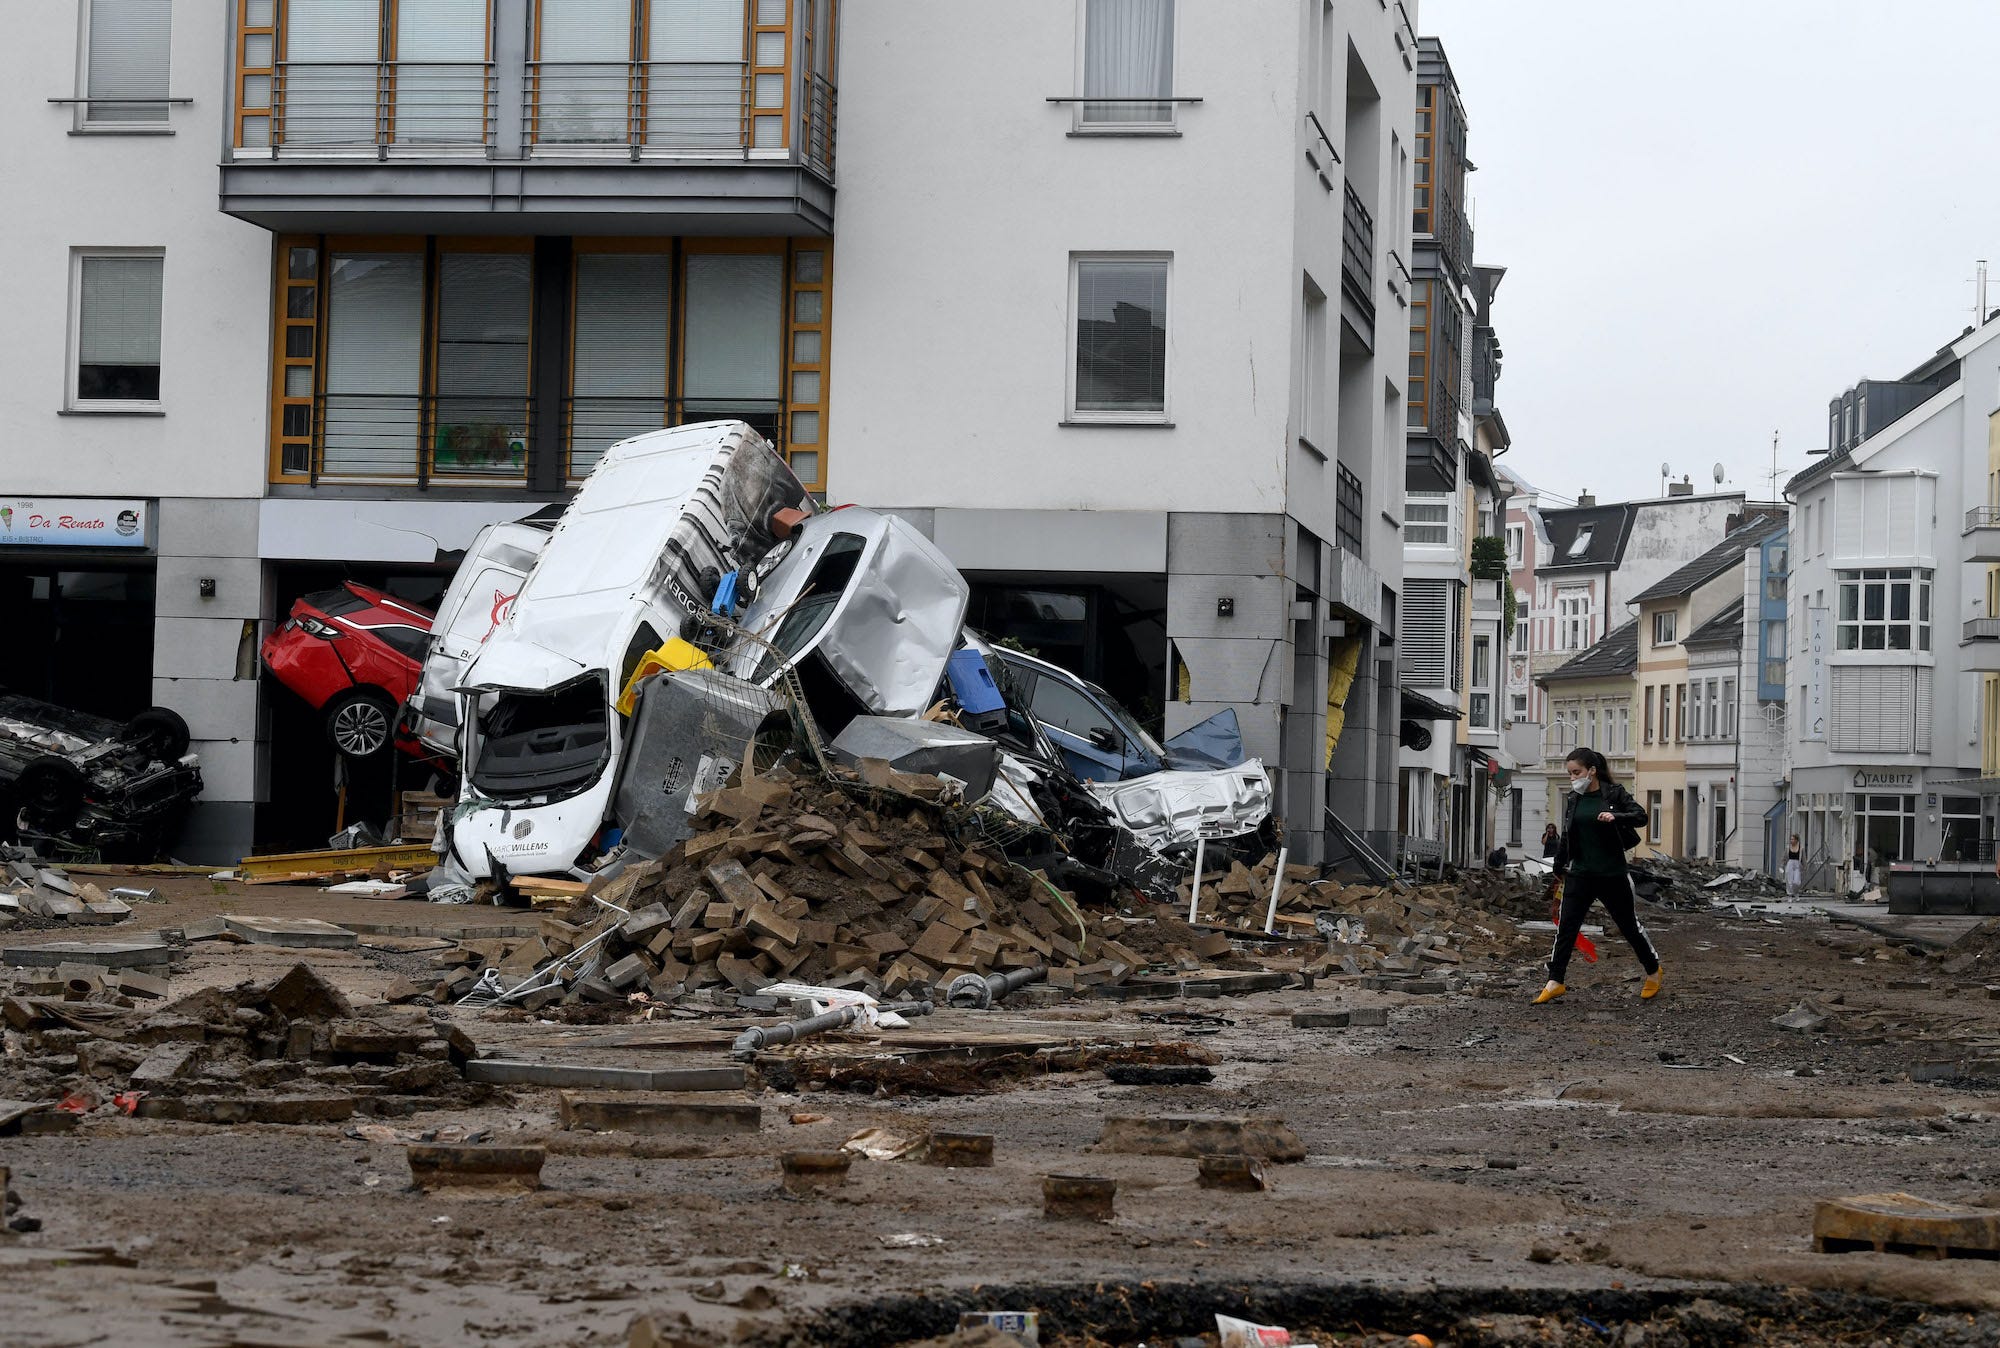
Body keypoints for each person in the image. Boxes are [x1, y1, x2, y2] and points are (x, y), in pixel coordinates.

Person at [1536, 746, 1661, 1004]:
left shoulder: (1614, 794)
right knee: (1566, 928)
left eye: (1577, 772)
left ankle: (1653, 970)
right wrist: (1558, 869)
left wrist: (1615, 816)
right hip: (1580, 874)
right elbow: (1569, 837)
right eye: (1570, 774)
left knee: (1628, 927)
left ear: (1591, 771)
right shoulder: (1574, 798)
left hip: (1612, 874)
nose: (1573, 778)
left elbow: (1641, 817)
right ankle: (1555, 980)